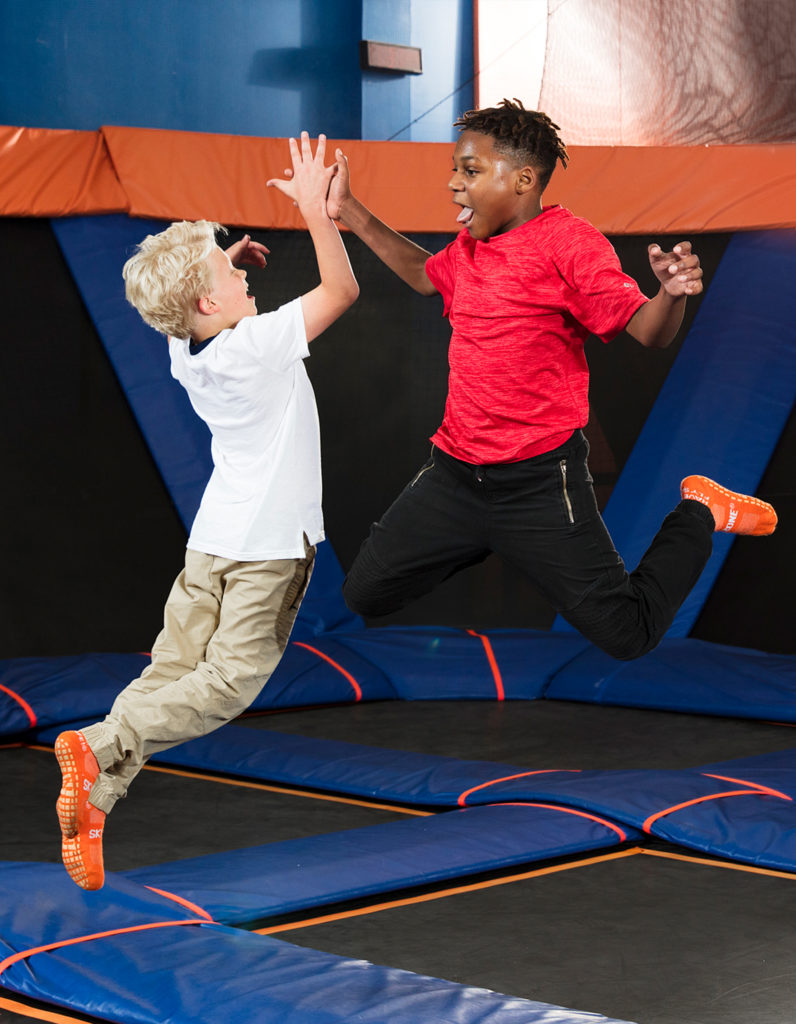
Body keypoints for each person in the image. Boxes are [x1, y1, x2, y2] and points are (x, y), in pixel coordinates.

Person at [326, 99, 777, 662]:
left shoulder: (570, 244)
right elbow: (423, 274)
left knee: (628, 634)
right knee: (364, 593)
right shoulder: (470, 247)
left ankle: (700, 511)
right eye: (455, 169)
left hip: (539, 483)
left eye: (470, 170)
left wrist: (669, 294)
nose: (454, 183)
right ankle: (478, 537)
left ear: (522, 180)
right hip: (456, 476)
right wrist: (346, 208)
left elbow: (649, 332)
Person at [55, 133, 358, 890]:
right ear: (209, 303)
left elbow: (190, 306)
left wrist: (225, 262)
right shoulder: (253, 345)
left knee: (170, 672)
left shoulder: (182, 349)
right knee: (226, 684)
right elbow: (342, 292)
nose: (241, 271)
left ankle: (97, 798)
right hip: (266, 546)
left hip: (213, 541)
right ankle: (100, 743)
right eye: (230, 271)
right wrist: (316, 212)